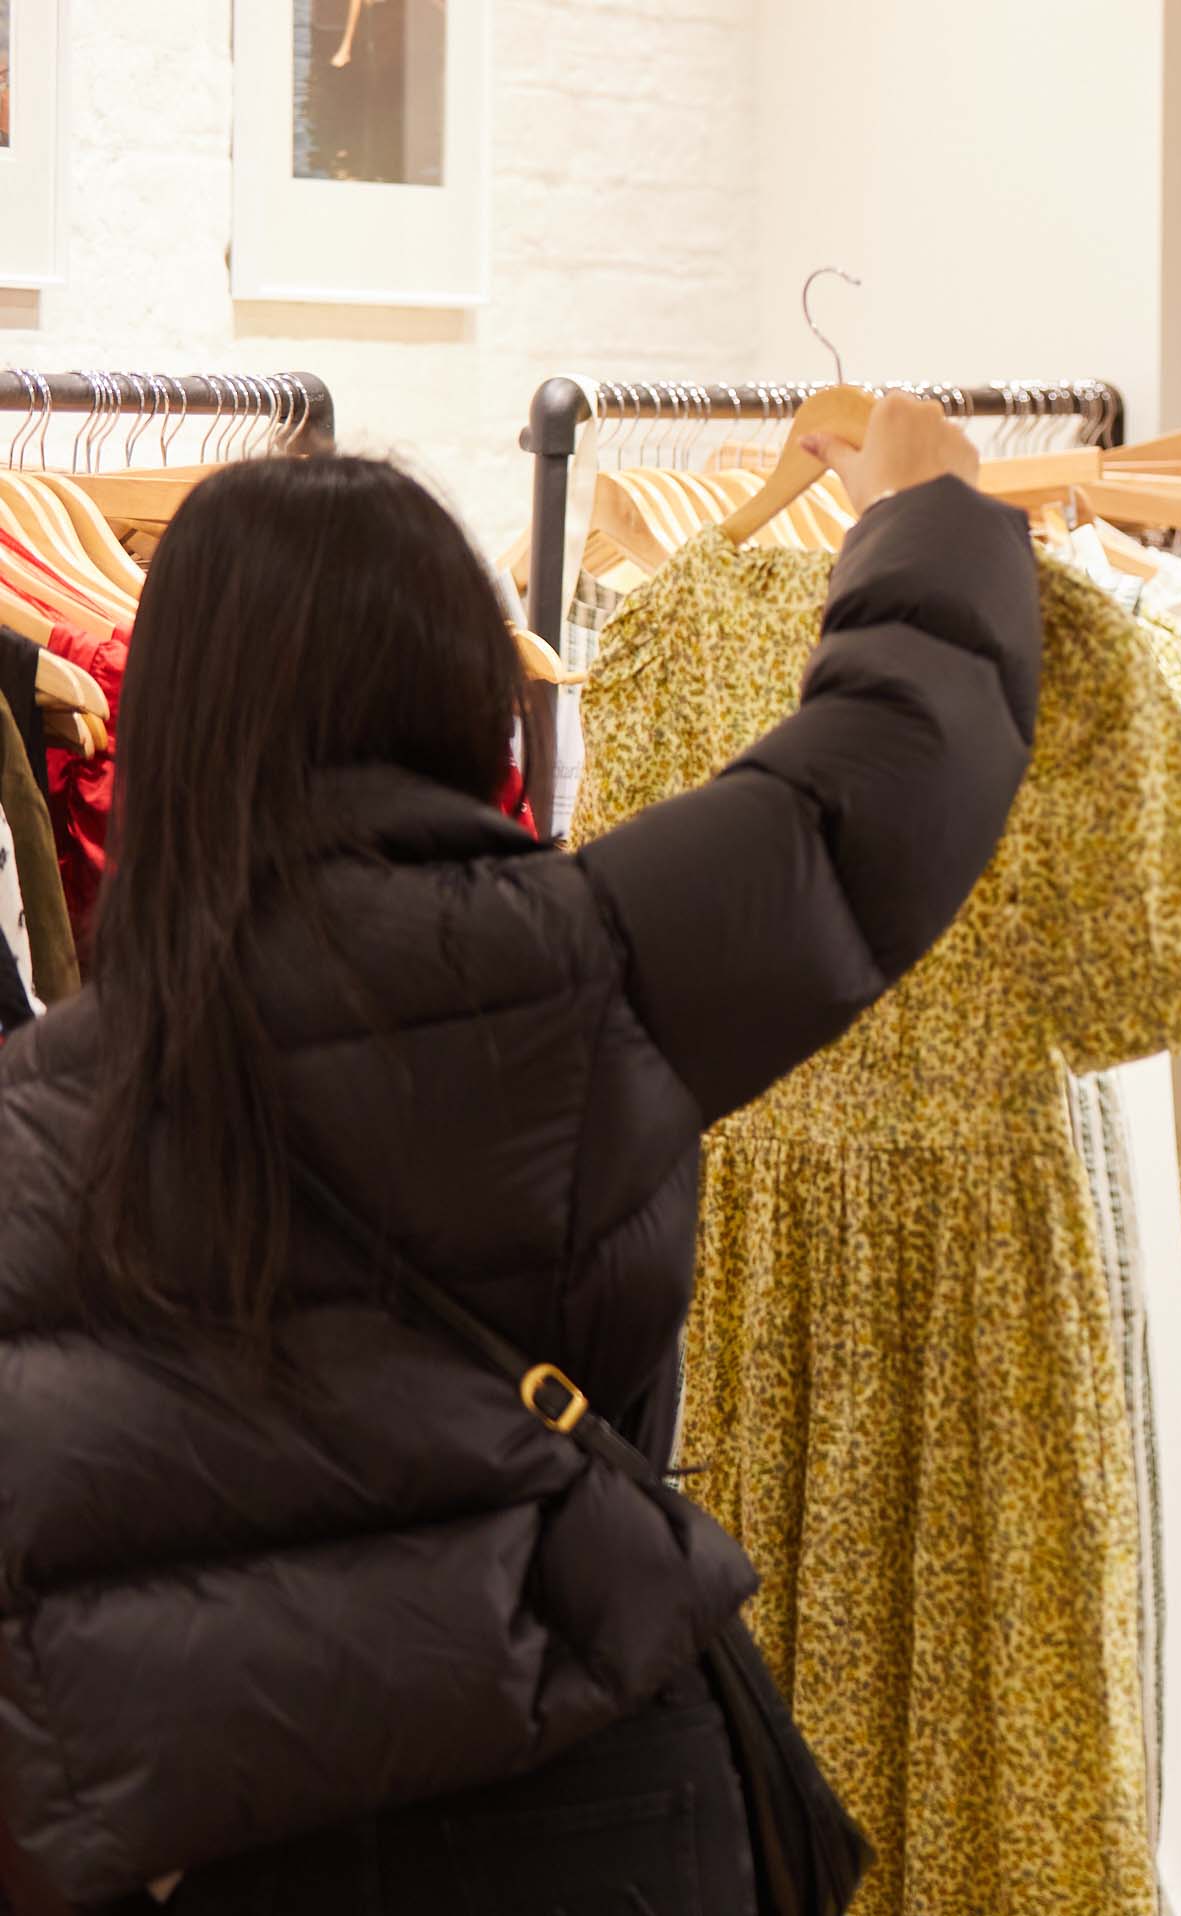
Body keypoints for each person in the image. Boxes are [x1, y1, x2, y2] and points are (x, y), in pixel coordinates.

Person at [0, 394, 1036, 1913]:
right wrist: (929, 511)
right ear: (465, 685)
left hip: (227, 1837)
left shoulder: (37, 1119)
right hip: (594, 1793)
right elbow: (887, 775)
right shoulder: (580, 972)